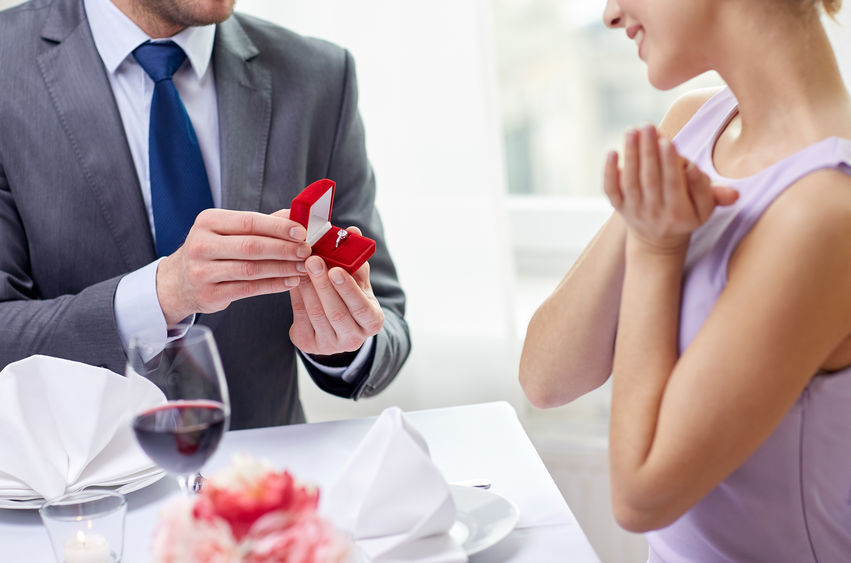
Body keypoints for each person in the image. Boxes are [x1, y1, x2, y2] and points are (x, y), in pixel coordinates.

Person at [519, 0, 851, 560]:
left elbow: (641, 497)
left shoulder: (826, 210)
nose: (610, 13)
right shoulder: (695, 123)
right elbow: (545, 379)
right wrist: (642, 229)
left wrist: (654, 248)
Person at [0, 0, 411, 429]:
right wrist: (162, 295)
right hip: (77, 468)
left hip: (262, 467)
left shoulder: (318, 75)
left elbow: (387, 320)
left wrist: (344, 337)